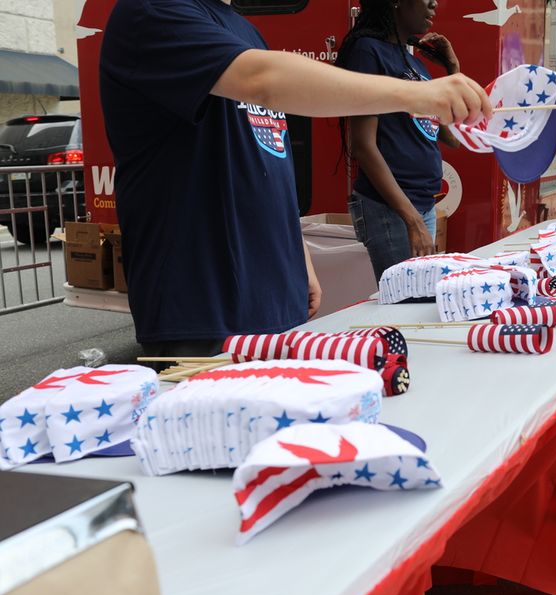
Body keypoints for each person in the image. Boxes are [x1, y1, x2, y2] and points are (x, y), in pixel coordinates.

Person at [99, 0, 490, 360]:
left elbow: (268, 152)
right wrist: (417, 95)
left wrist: (296, 250)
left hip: (276, 298)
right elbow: (263, 79)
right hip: (203, 307)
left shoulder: (241, 28)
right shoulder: (152, 11)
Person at [336, 0, 461, 281]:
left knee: (417, 305)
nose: (434, 4)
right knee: (406, 307)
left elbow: (452, 137)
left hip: (421, 205)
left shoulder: (415, 63)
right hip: (391, 211)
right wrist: (411, 220)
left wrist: (453, 69)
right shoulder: (368, 52)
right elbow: (362, 145)